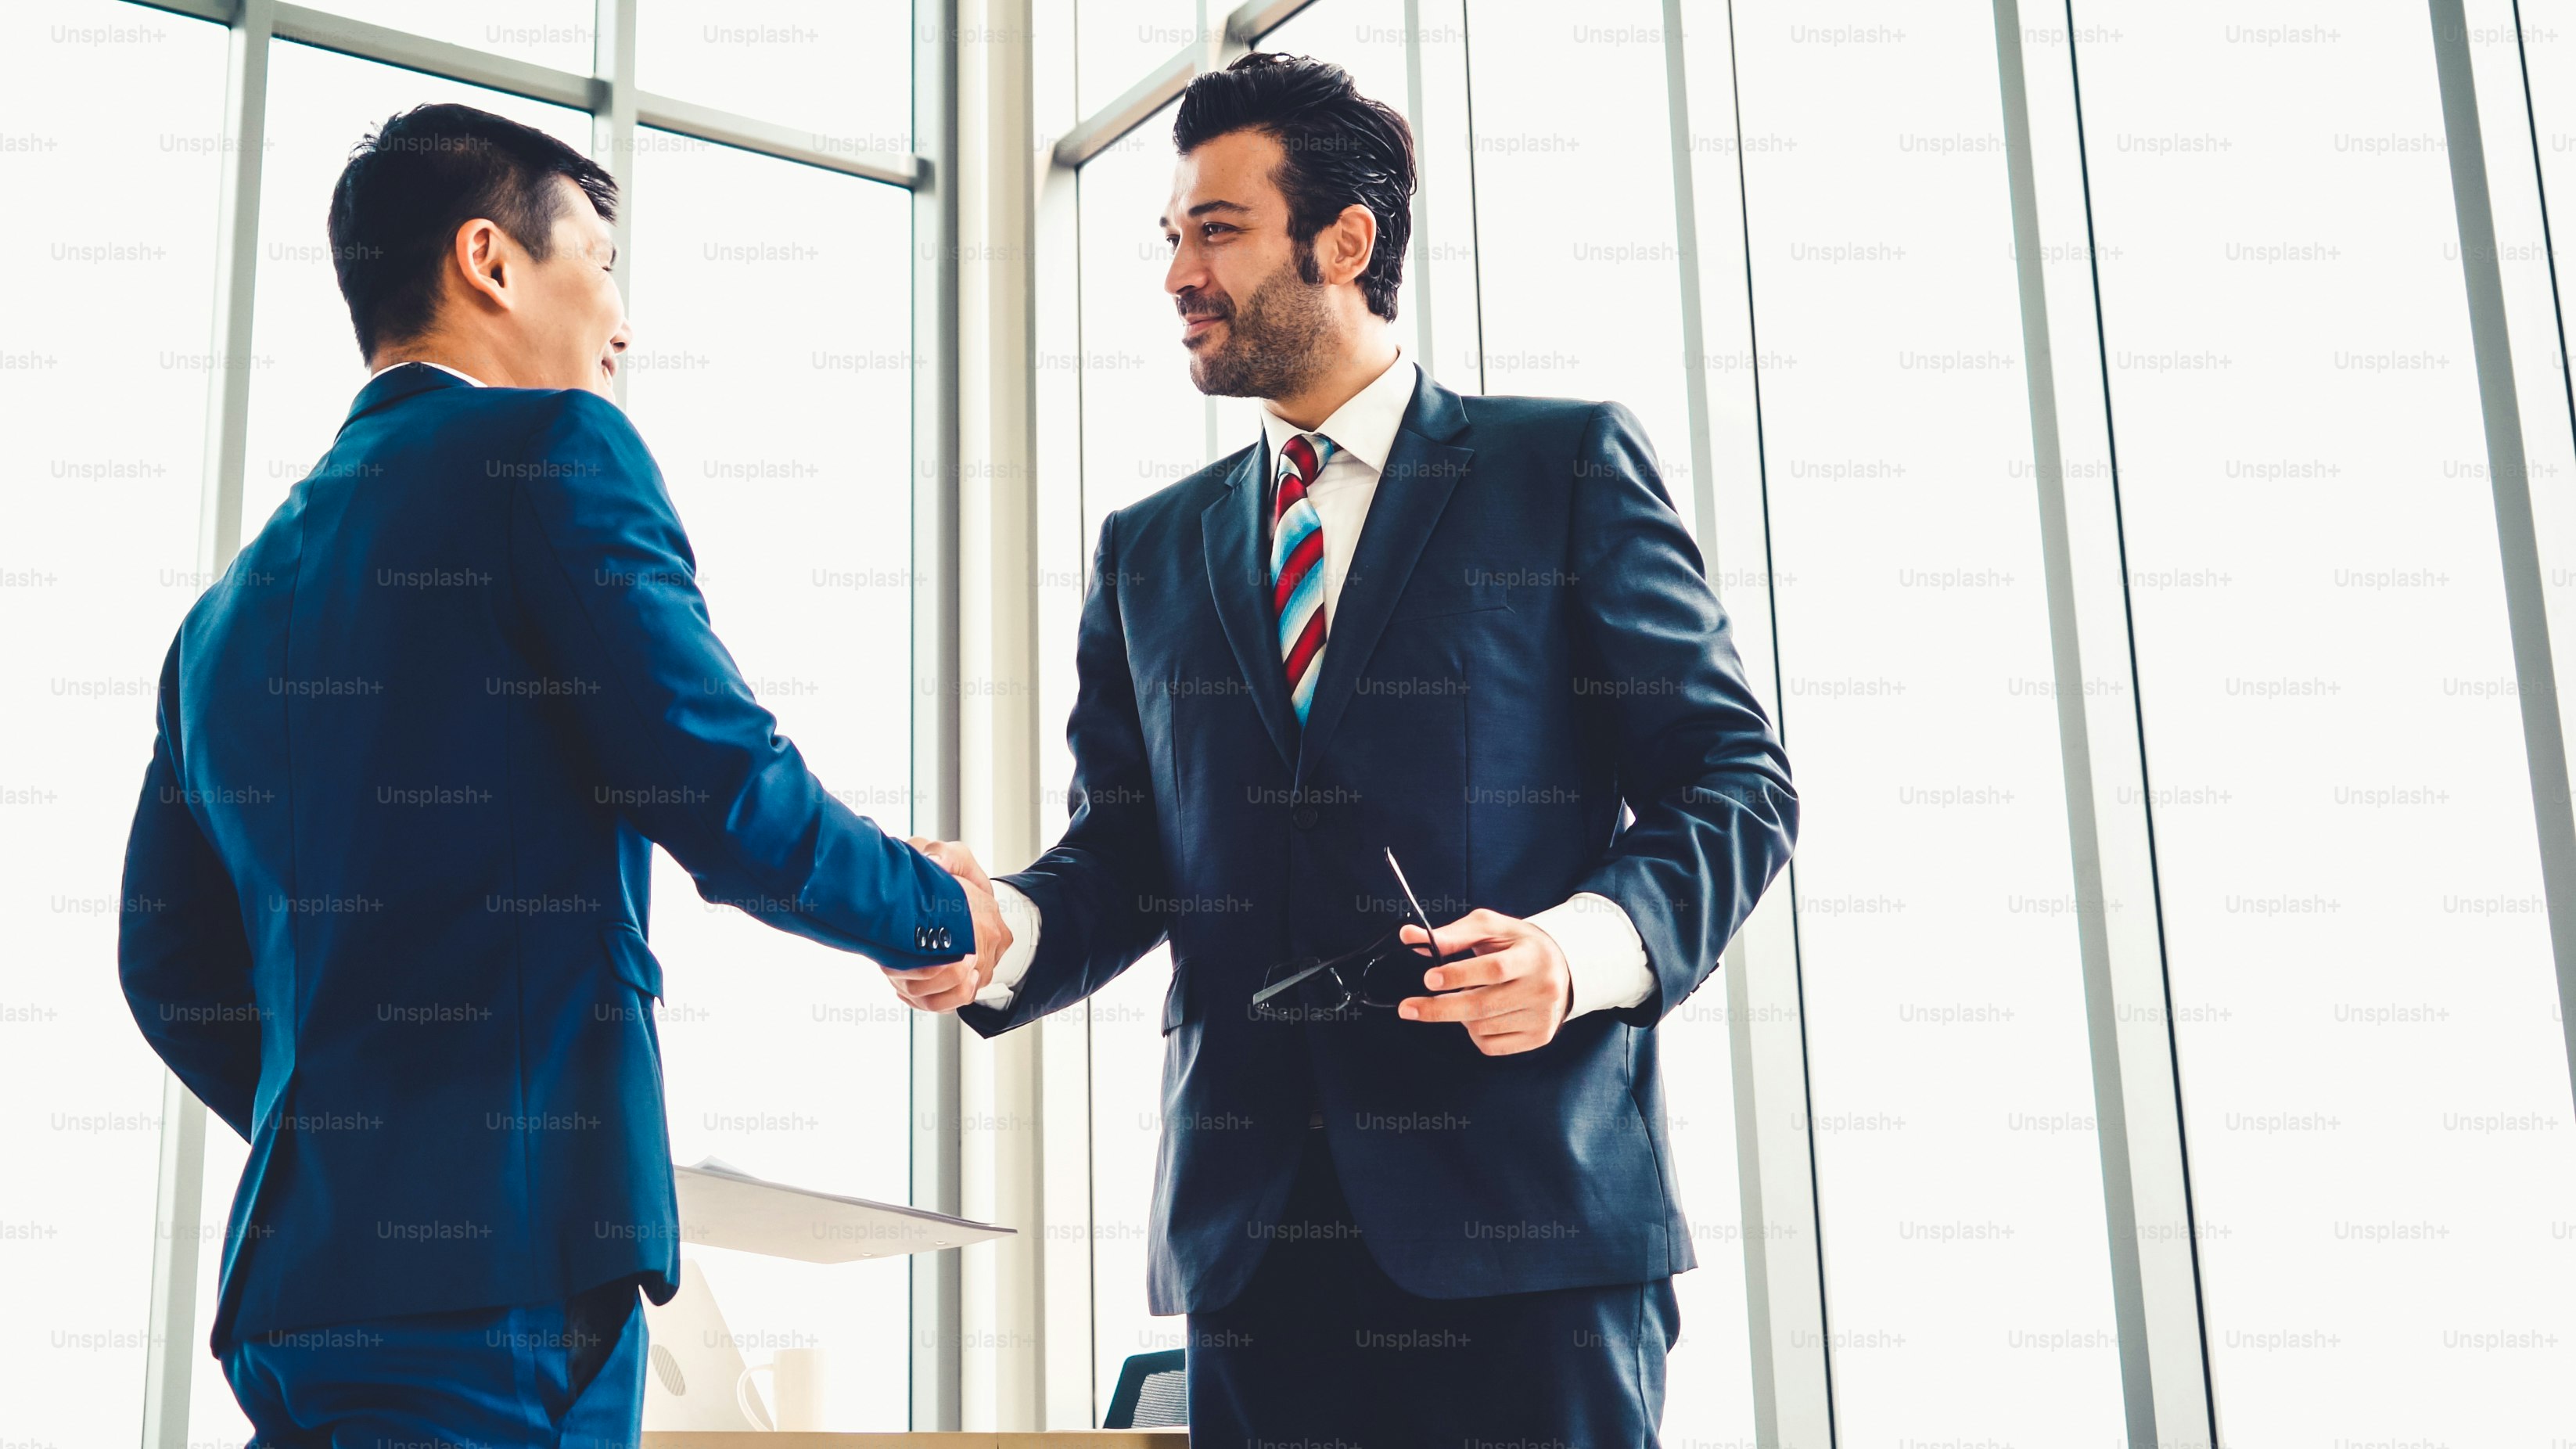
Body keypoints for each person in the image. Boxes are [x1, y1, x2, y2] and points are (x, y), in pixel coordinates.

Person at [895, 52, 1798, 1445]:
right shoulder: (1149, 551)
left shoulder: (1556, 470)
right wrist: (1000, 925)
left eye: (1217, 231)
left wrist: (1576, 954)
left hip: (1528, 1225)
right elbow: (1128, 854)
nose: (1178, 275)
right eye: (1172, 236)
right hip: (1256, 1254)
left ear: (1346, 241)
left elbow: (1731, 781)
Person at [115, 103, 1007, 1446]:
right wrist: (939, 913)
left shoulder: (223, 618)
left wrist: (372, 1138)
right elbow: (720, 786)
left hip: (300, 1292)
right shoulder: (550, 455)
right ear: (489, 260)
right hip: (500, 1299)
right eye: (599, 262)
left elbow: (166, 964)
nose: (621, 324)